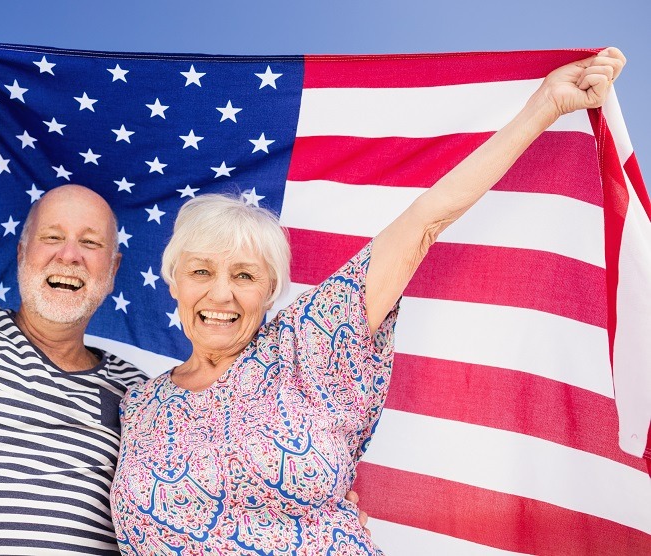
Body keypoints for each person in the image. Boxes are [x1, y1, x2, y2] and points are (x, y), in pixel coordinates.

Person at [0, 12, 370, 555]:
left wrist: (312, 505)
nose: (70, 256)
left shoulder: (138, 397)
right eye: (52, 237)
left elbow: (209, 487)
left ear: (114, 270)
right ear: (22, 253)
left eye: (91, 243)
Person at [110, 49, 626, 554]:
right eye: (201, 271)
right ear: (173, 282)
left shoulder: (312, 341)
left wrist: (546, 106)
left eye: (244, 275)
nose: (220, 293)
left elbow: (425, 221)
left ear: (270, 290)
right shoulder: (137, 405)